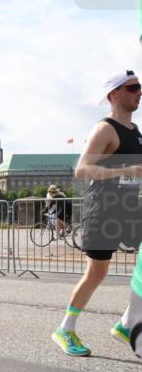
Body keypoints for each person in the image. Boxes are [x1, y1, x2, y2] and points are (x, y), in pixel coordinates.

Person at [54, 69, 142, 356]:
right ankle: (65, 329)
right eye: (132, 87)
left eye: (139, 87)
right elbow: (81, 170)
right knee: (97, 273)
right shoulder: (104, 129)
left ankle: (128, 323)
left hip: (129, 208)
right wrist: (128, 170)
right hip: (102, 209)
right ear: (114, 94)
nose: (139, 92)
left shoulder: (135, 131)